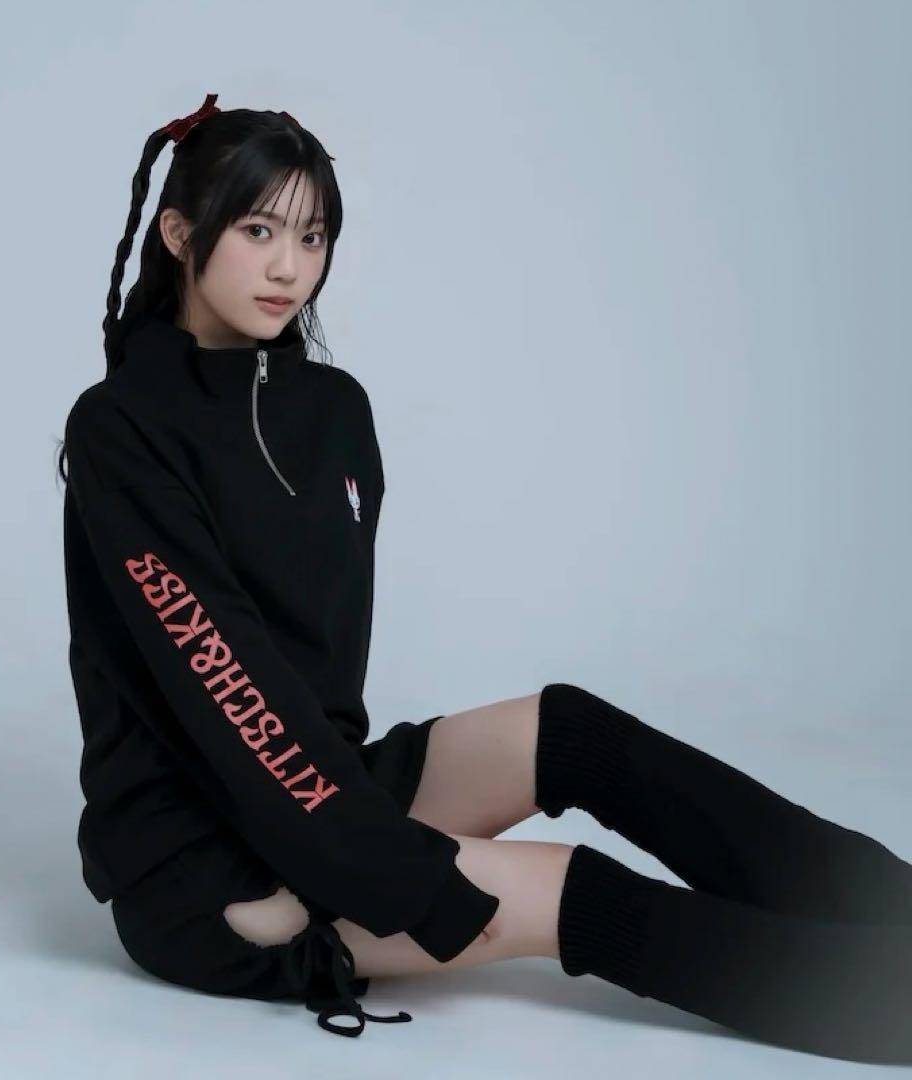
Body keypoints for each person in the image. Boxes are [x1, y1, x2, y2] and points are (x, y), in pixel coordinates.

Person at [56, 94, 912, 1060]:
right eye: (258, 231)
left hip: (319, 801)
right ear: (179, 234)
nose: (290, 267)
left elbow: (317, 678)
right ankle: (881, 1003)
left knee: (572, 731)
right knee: (558, 889)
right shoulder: (121, 430)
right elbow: (230, 684)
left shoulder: (333, 413)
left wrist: (349, 835)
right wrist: (402, 879)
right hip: (206, 869)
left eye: (313, 235)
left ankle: (892, 903)